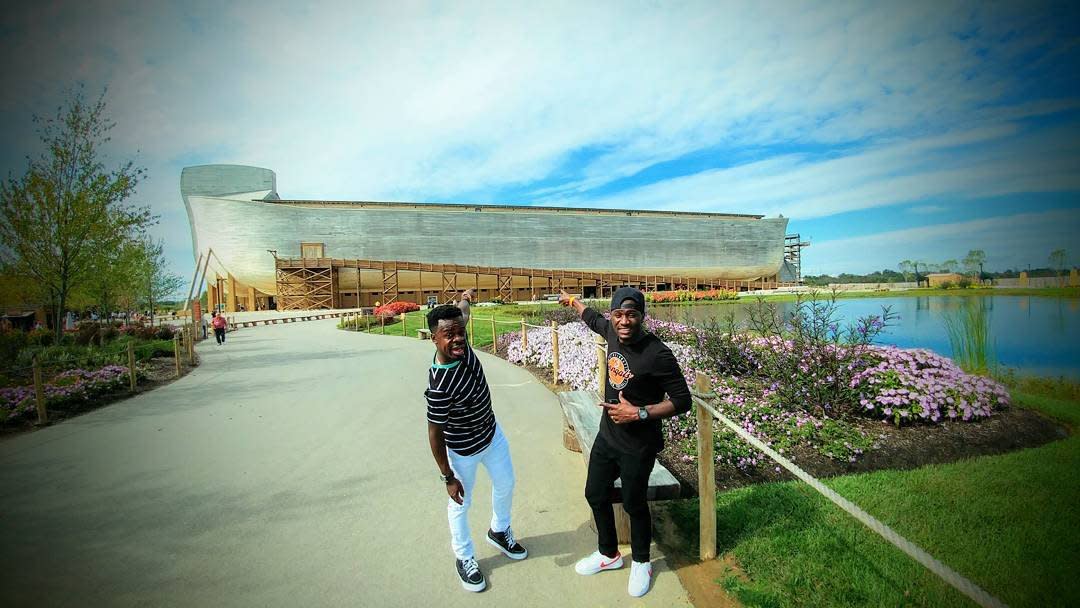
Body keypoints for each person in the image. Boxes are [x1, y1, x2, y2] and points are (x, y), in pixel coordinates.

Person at [558, 286, 691, 597]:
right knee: (595, 493)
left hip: (638, 445)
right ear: (613, 315)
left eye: (632, 315)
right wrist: (573, 301)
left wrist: (639, 413)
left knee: (633, 503)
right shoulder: (611, 331)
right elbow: (590, 317)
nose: (624, 321)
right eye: (618, 314)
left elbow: (682, 400)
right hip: (608, 437)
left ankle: (642, 561)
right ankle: (608, 554)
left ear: (642, 317)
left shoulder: (658, 354)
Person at [425, 288, 527, 593]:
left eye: (460, 332)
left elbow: (464, 311)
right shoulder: (439, 384)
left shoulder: (461, 340)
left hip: (491, 435)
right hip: (462, 452)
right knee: (460, 504)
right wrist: (447, 476)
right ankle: (464, 557)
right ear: (435, 339)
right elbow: (434, 432)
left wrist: (466, 296)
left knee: (506, 482)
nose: (458, 339)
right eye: (448, 335)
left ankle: (499, 530)